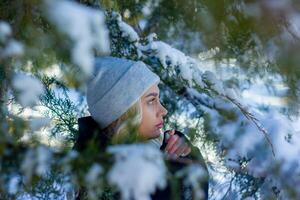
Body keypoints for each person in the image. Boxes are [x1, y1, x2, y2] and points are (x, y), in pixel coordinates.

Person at [74, 57, 208, 199]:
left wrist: (188, 156)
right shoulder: (105, 183)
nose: (163, 111)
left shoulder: (157, 145)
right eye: (151, 101)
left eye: (158, 100)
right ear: (124, 112)